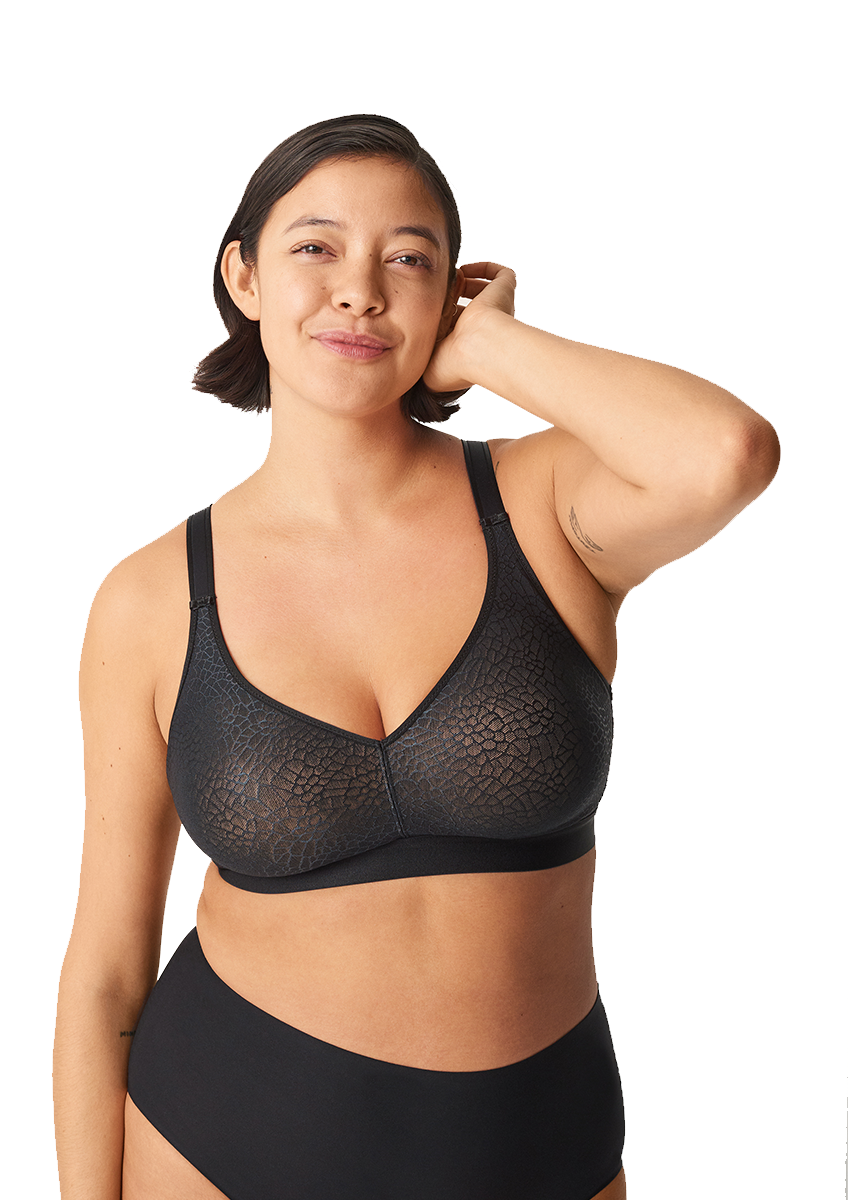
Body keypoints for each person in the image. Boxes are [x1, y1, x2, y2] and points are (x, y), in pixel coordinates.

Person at [52, 114, 780, 1200]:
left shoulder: (542, 508)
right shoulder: (151, 599)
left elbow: (727, 453)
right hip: (222, 1140)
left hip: (540, 1149)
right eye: (315, 247)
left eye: (408, 259)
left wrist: (492, 348)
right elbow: (108, 966)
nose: (359, 291)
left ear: (450, 295)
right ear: (243, 277)